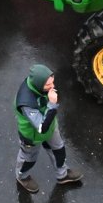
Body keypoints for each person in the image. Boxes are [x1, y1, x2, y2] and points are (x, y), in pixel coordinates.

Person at [14, 64, 82, 194]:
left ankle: (62, 175)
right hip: (33, 135)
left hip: (50, 125)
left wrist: (50, 104)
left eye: (53, 82)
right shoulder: (26, 102)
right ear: (39, 84)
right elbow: (41, 128)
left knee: (59, 149)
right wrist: (52, 104)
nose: (53, 87)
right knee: (29, 159)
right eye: (48, 85)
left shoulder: (38, 84)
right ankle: (22, 177)